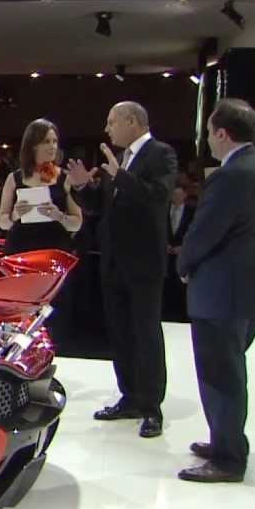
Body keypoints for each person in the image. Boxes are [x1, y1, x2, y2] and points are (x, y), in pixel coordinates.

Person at [176, 98, 255, 482]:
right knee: (229, 373)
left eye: (209, 133)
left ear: (222, 133)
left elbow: (204, 231)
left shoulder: (230, 175)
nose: (208, 140)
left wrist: (184, 264)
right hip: (246, 293)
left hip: (221, 294)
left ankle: (229, 458)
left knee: (221, 377)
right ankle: (225, 441)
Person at [67, 101, 177, 438]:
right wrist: (85, 186)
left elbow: (159, 196)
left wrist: (121, 176)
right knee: (119, 332)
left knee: (145, 333)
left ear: (132, 121)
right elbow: (102, 207)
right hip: (113, 260)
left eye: (112, 121)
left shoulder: (161, 154)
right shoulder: (120, 161)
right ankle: (129, 396)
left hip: (144, 262)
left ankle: (151, 406)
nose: (107, 128)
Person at [0, 118, 82, 254]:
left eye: (54, 141)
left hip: (55, 250)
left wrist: (59, 216)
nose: (53, 146)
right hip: (20, 250)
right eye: (46, 142)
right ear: (32, 145)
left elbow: (77, 224)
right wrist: (15, 215)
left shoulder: (66, 179)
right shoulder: (14, 179)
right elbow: (2, 222)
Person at [163, 185, 196, 321]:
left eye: (179, 195)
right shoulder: (163, 211)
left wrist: (183, 247)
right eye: (174, 195)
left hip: (182, 257)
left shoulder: (192, 212)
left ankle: (181, 316)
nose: (176, 198)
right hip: (165, 257)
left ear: (184, 196)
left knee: (181, 289)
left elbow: (195, 232)